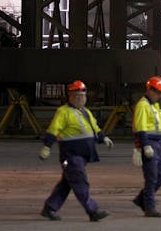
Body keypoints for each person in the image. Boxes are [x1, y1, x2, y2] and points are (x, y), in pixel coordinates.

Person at [39, 79, 113, 222]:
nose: (80, 99)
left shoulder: (85, 112)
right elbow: (54, 129)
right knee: (80, 181)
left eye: (82, 96)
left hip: (80, 157)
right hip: (70, 157)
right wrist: (47, 146)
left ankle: (49, 208)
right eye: (77, 96)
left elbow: (94, 129)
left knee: (66, 184)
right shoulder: (63, 112)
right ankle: (93, 211)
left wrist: (103, 138)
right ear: (70, 97)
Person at [131, 75, 161, 217]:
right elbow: (141, 127)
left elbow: (158, 126)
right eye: (157, 92)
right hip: (149, 143)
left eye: (160, 93)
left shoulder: (154, 106)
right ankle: (149, 208)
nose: (159, 95)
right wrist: (144, 146)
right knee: (151, 176)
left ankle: (142, 199)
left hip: (157, 143)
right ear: (149, 90)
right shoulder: (143, 105)